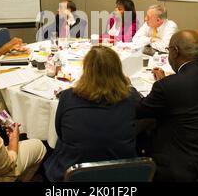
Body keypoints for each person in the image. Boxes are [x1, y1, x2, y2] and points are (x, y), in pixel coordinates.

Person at [136, 30, 198, 181]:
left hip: (183, 165)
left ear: (175, 52)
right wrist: (165, 84)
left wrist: (127, 88)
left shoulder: (169, 86)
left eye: (168, 50)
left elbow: (139, 110)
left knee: (141, 126)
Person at [44, 46, 139, 182]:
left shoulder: (67, 96)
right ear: (118, 71)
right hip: (121, 172)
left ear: (86, 70)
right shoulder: (130, 97)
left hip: (73, 170)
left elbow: (60, 132)